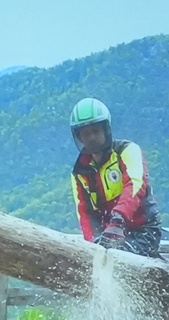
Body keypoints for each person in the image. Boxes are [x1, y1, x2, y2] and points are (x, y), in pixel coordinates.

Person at [67, 96, 162, 258]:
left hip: (143, 231)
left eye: (96, 131)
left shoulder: (127, 151)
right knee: (93, 260)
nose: (92, 137)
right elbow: (85, 212)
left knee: (118, 260)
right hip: (108, 236)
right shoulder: (80, 172)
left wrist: (118, 220)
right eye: (86, 133)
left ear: (105, 129)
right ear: (79, 137)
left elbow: (134, 186)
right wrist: (94, 241)